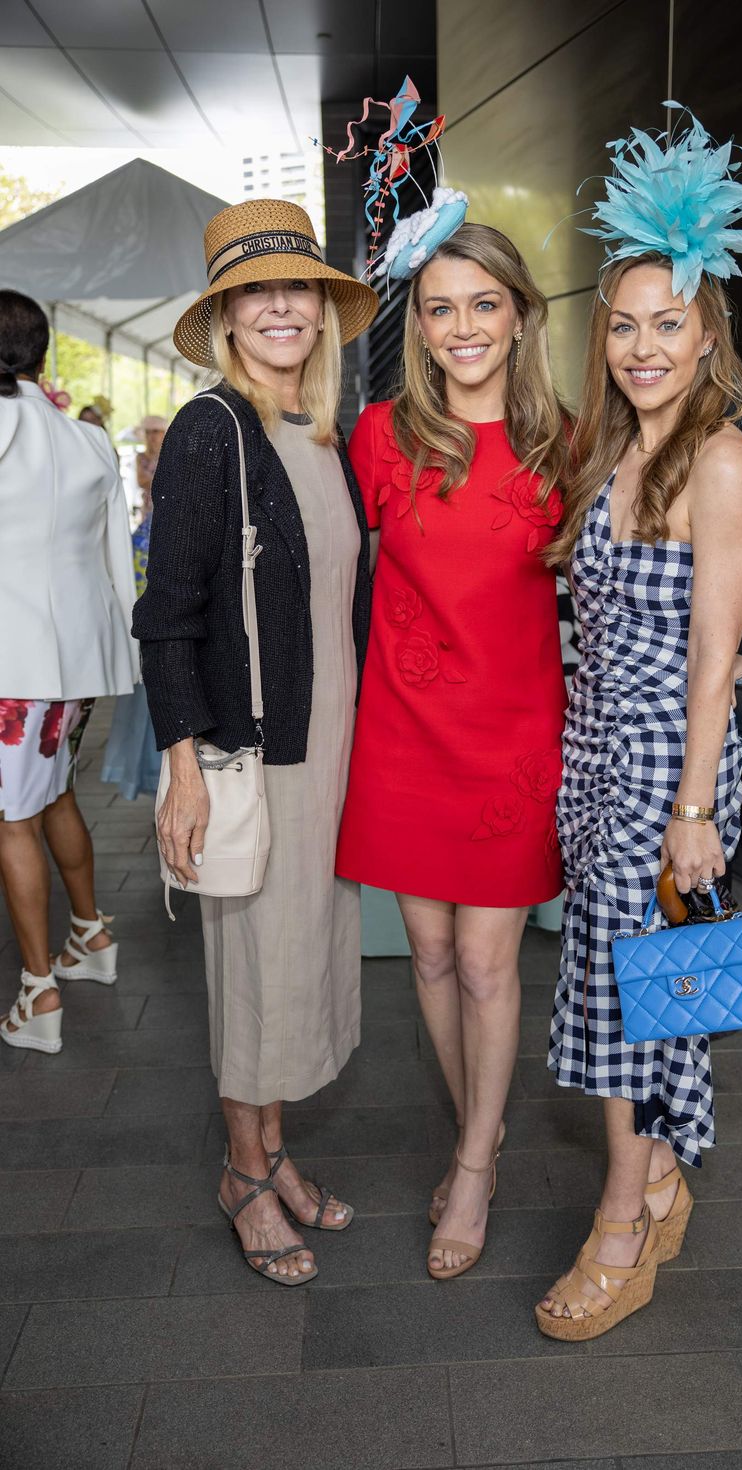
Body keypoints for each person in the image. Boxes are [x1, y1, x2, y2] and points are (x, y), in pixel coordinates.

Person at [538, 114, 742, 1338]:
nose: (641, 348)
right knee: (637, 984)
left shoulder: (718, 462)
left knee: (627, 1006)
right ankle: (665, 1175)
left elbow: (710, 661)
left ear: (706, 334)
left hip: (661, 774)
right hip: (597, 761)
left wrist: (691, 813)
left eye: (666, 324)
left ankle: (620, 1228)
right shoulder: (613, 457)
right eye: (623, 326)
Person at [133, 200, 378, 1285]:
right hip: (252, 755)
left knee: (297, 959)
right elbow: (167, 614)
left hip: (327, 748)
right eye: (255, 291)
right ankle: (243, 1171)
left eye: (298, 289)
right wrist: (182, 762)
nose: (280, 307)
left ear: (321, 310)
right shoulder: (211, 430)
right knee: (251, 969)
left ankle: (273, 1152)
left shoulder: (322, 437)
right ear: (227, 316)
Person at [335, 218, 569, 1279]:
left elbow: (628, 573)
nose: (463, 326)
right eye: (440, 308)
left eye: (484, 304)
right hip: (402, 734)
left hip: (513, 738)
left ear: (519, 316)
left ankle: (473, 1164)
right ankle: (482, 1119)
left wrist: (727, 645)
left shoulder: (569, 441)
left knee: (484, 960)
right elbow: (326, 572)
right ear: (420, 329)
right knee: (428, 955)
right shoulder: (382, 436)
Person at [0, 290, 139, 1054]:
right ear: (43, 351)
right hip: (78, 658)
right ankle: (89, 935)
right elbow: (115, 556)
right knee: (52, 792)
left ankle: (38, 992)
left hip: (11, 660)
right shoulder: (87, 440)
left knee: (12, 817)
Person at [101, 417, 168, 801]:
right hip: (149, 533)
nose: (155, 437)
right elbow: (144, 485)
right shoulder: (145, 459)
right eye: (152, 432)